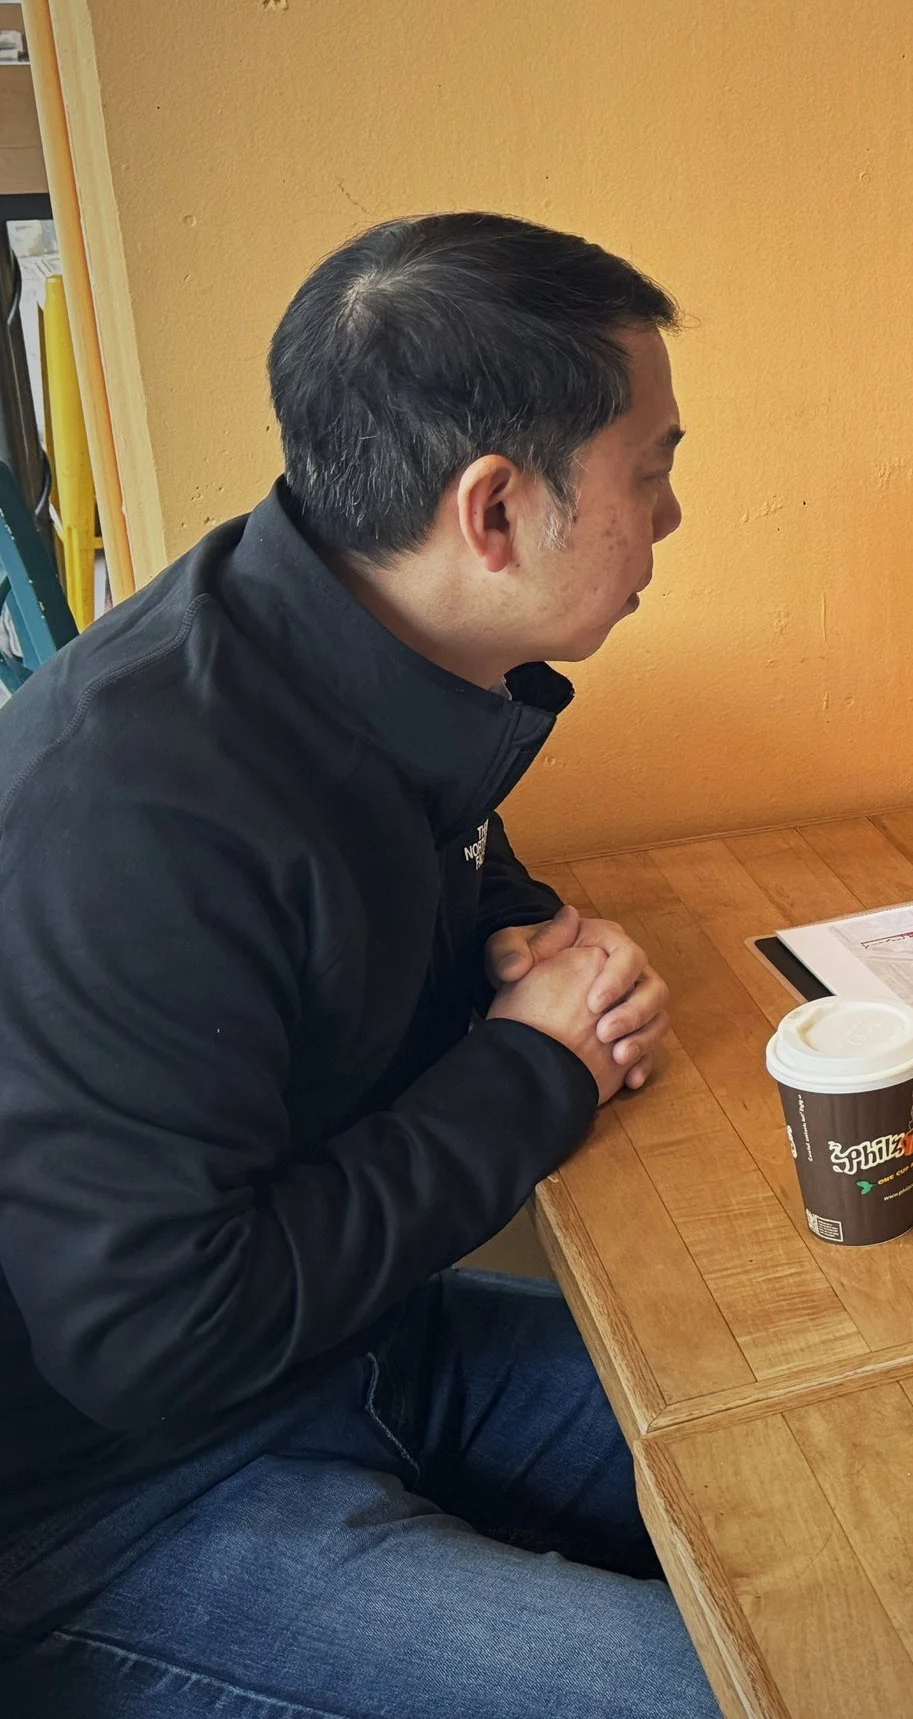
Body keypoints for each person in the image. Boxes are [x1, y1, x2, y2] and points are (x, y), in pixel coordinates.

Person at [0, 214, 717, 1716]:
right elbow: (158, 1333)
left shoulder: (357, 643)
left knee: (804, 1462)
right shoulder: (136, 809)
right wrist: (536, 1062)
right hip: (119, 1497)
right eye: (649, 472)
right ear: (496, 510)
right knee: (719, 1688)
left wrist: (512, 930)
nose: (670, 515)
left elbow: (399, 880)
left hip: (369, 1337)